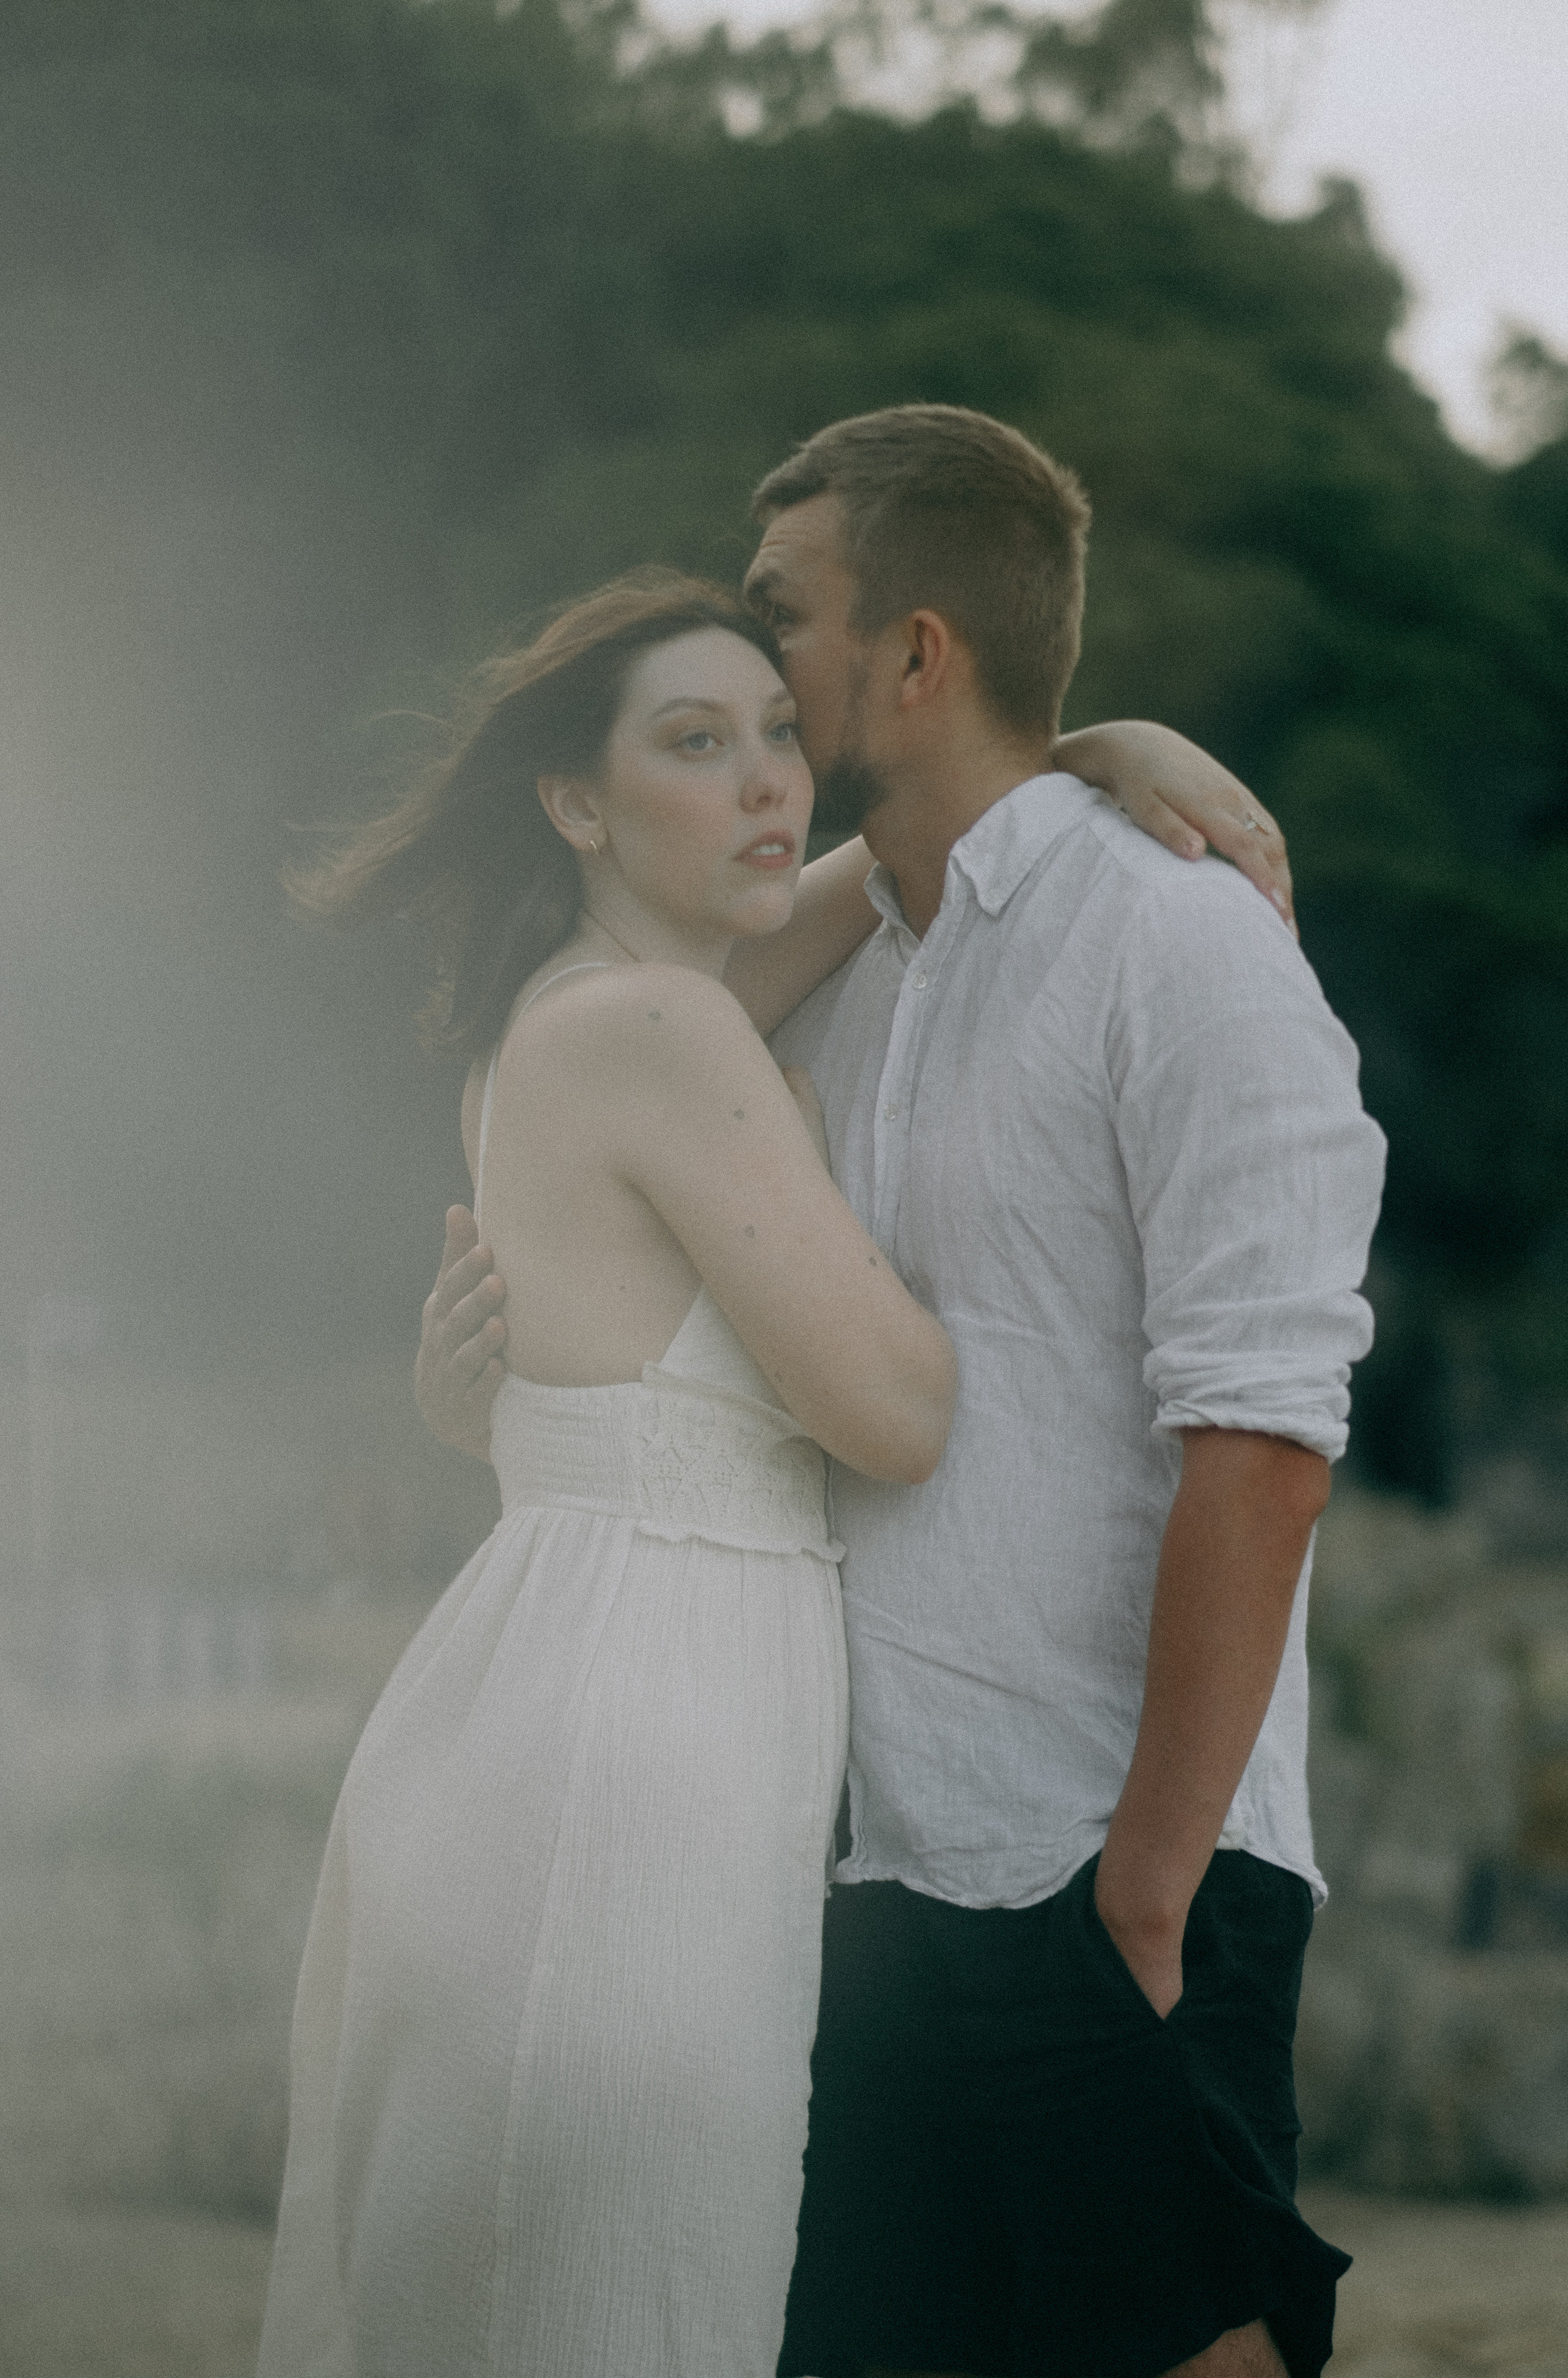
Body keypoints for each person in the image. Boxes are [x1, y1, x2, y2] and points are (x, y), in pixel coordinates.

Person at [418, 407, 1386, 2378]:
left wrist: (1143, 1893)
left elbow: (1269, 1445)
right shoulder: (834, 976)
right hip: (851, 1874)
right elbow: (599, 1076)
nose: (758, 666)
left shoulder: (1183, 943)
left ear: (921, 652)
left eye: (789, 618)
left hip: (1108, 1867)